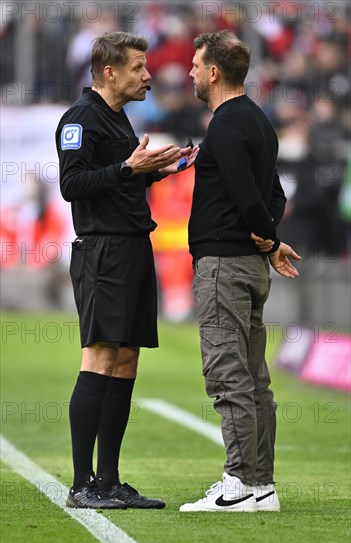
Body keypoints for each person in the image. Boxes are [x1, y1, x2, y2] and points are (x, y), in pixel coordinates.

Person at [55, 31, 197, 509]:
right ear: (109, 72)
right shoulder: (80, 119)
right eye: (139, 67)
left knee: (127, 360)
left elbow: (122, 177)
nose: (148, 76)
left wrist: (159, 168)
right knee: (98, 356)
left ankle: (110, 481)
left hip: (135, 247)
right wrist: (128, 170)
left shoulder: (119, 120)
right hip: (103, 252)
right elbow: (72, 184)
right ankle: (81, 484)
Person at [180, 30, 301, 513]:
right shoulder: (259, 121)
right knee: (255, 379)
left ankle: (235, 487)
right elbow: (275, 195)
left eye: (195, 64)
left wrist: (268, 238)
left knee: (228, 375)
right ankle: (262, 485)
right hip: (250, 268)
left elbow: (246, 195)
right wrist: (268, 238)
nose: (189, 72)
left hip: (223, 267)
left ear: (213, 71)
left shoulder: (226, 126)